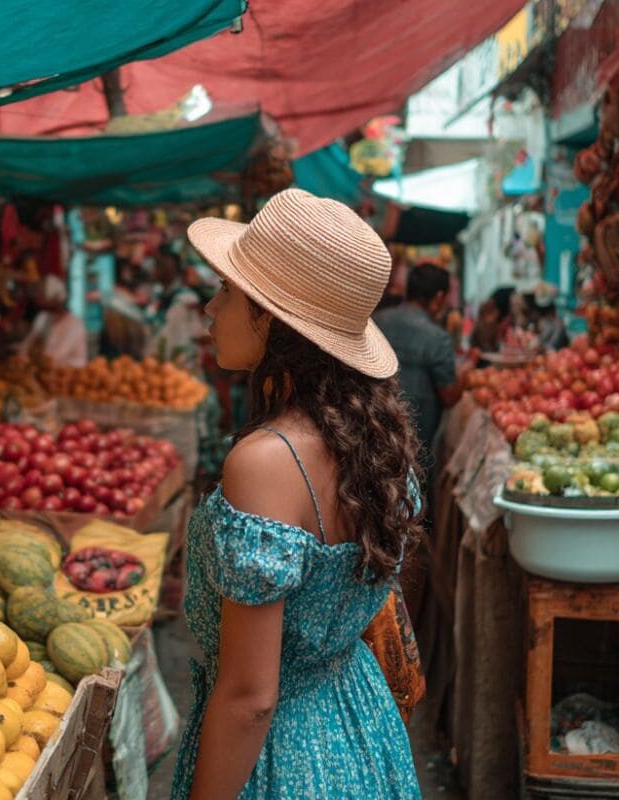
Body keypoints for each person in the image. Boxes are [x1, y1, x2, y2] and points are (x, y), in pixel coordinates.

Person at [172, 189, 423, 799]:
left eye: (228, 291)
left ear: (272, 317)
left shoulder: (263, 463)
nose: (209, 307)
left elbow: (251, 699)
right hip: (361, 727)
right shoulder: (377, 438)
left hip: (281, 758)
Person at [374, 262, 462, 466]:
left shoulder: (377, 321)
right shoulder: (437, 337)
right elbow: (449, 396)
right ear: (439, 298)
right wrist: (463, 379)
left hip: (372, 424)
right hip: (414, 436)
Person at [146, 248, 209, 367]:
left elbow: (192, 336)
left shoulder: (187, 298)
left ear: (171, 269)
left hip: (182, 364)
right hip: (161, 363)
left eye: (159, 265)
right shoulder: (158, 295)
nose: (154, 269)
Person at [19, 274, 88, 368]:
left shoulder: (76, 324)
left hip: (65, 377)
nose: (41, 307)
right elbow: (26, 347)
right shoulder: (43, 318)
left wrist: (48, 363)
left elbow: (75, 360)